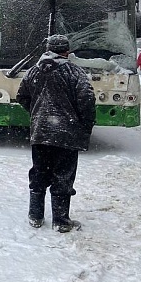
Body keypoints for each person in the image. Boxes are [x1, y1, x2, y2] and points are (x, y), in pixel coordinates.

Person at [16, 34, 96, 232]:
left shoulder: (33, 71)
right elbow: (87, 100)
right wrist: (83, 125)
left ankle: (35, 215)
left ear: (48, 50)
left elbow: (21, 96)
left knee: (39, 172)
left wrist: (38, 114)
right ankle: (60, 221)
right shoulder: (74, 72)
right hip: (66, 134)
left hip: (40, 133)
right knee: (63, 175)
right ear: (66, 51)